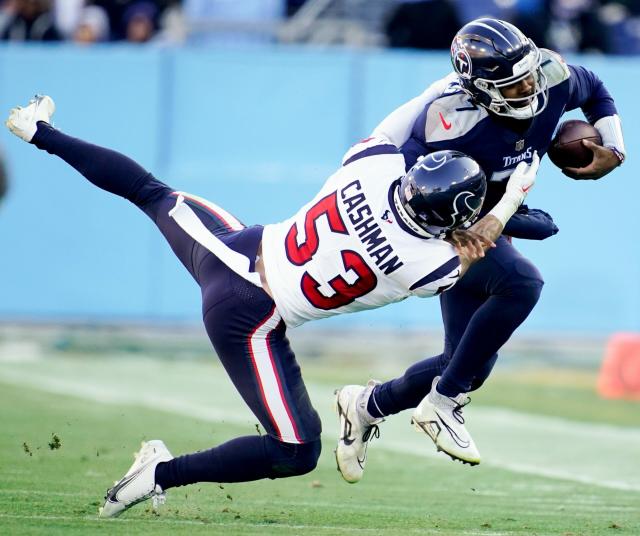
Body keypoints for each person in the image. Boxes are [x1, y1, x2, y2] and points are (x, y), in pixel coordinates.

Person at [5, 94, 538, 517]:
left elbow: (407, 120)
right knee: (296, 450)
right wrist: (509, 207)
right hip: (250, 314)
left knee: (147, 189)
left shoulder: (371, 168)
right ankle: (159, 472)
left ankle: (38, 132)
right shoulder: (428, 265)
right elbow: (470, 248)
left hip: (232, 246)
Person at [334, 17, 626, 481]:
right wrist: (455, 229)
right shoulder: (447, 123)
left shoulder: (549, 82)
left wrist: (613, 145)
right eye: (514, 85)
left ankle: (367, 405)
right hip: (434, 232)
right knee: (522, 284)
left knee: (468, 362)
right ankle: (442, 404)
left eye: (530, 75)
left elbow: (595, 90)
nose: (530, 89)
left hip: (491, 224)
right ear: (480, 89)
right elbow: (400, 191)